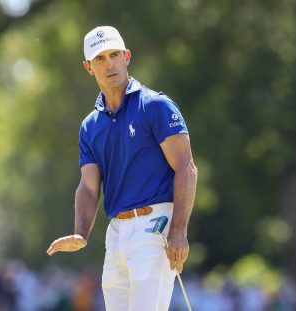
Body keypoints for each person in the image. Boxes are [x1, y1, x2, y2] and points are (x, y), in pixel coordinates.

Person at [47, 25, 198, 311]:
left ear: (127, 56)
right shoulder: (90, 126)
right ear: (88, 67)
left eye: (114, 54)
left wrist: (179, 230)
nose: (109, 63)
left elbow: (186, 168)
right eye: (100, 58)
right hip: (116, 232)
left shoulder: (155, 106)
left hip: (156, 226)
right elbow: (89, 186)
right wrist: (81, 232)